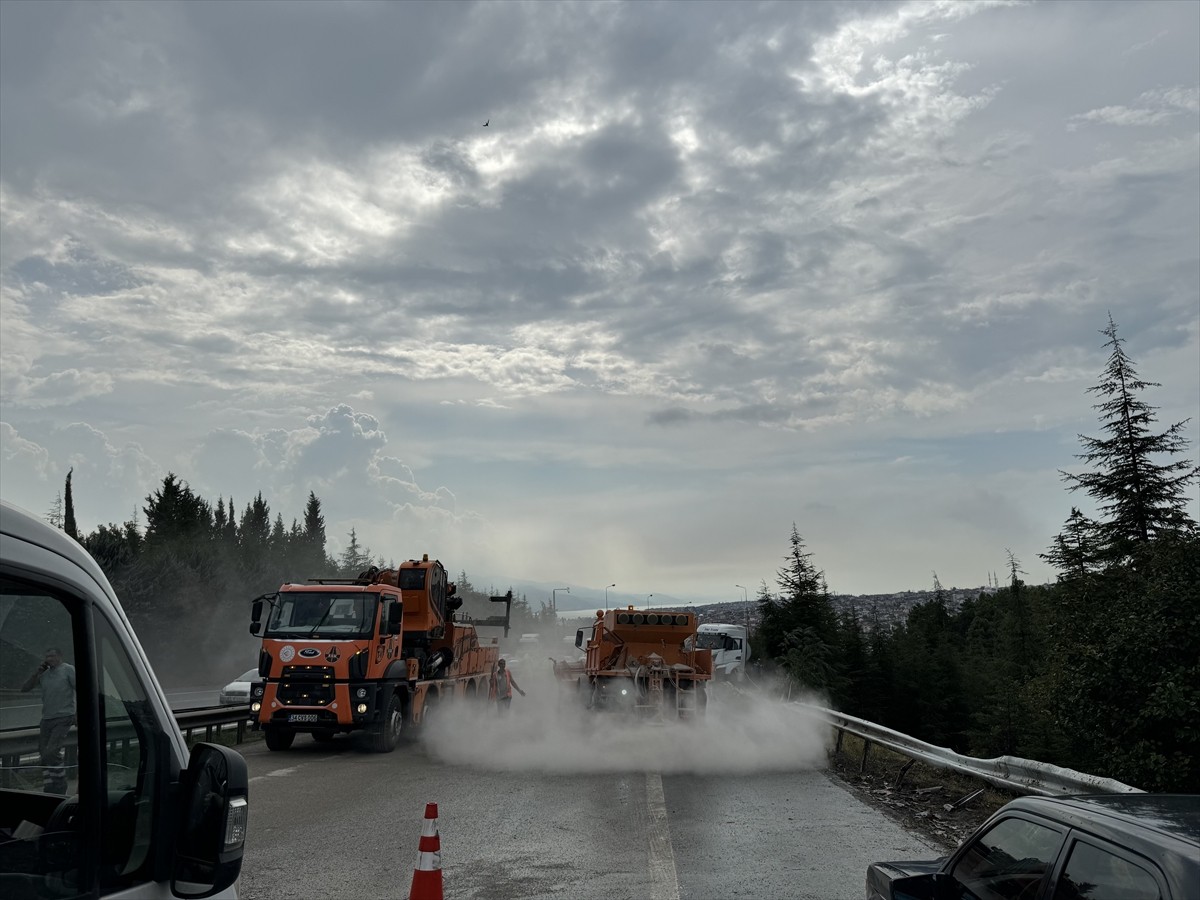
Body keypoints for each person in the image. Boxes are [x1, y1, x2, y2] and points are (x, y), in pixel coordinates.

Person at [21, 647, 77, 794]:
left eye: (52, 656)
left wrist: (77, 713)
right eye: (47, 657)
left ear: (59, 656)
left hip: (64, 716)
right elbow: (25, 688)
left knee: (52, 752)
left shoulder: (68, 670)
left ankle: (60, 785)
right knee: (43, 753)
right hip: (47, 718)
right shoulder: (44, 674)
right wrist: (37, 673)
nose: (49, 659)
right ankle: (49, 785)